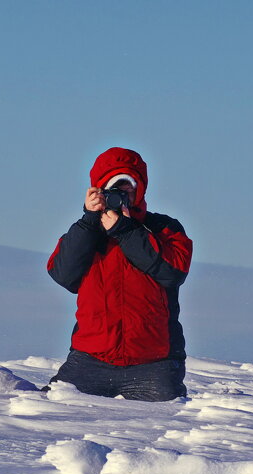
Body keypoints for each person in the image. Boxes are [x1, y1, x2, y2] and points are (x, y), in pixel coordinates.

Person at [46, 147, 193, 401]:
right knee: (45, 411)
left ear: (140, 190)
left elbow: (173, 272)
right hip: (91, 359)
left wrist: (126, 231)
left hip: (153, 362)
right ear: (98, 191)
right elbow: (62, 274)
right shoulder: (87, 231)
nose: (121, 196)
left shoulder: (164, 228)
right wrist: (89, 221)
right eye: (114, 189)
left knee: (169, 428)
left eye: (127, 188)